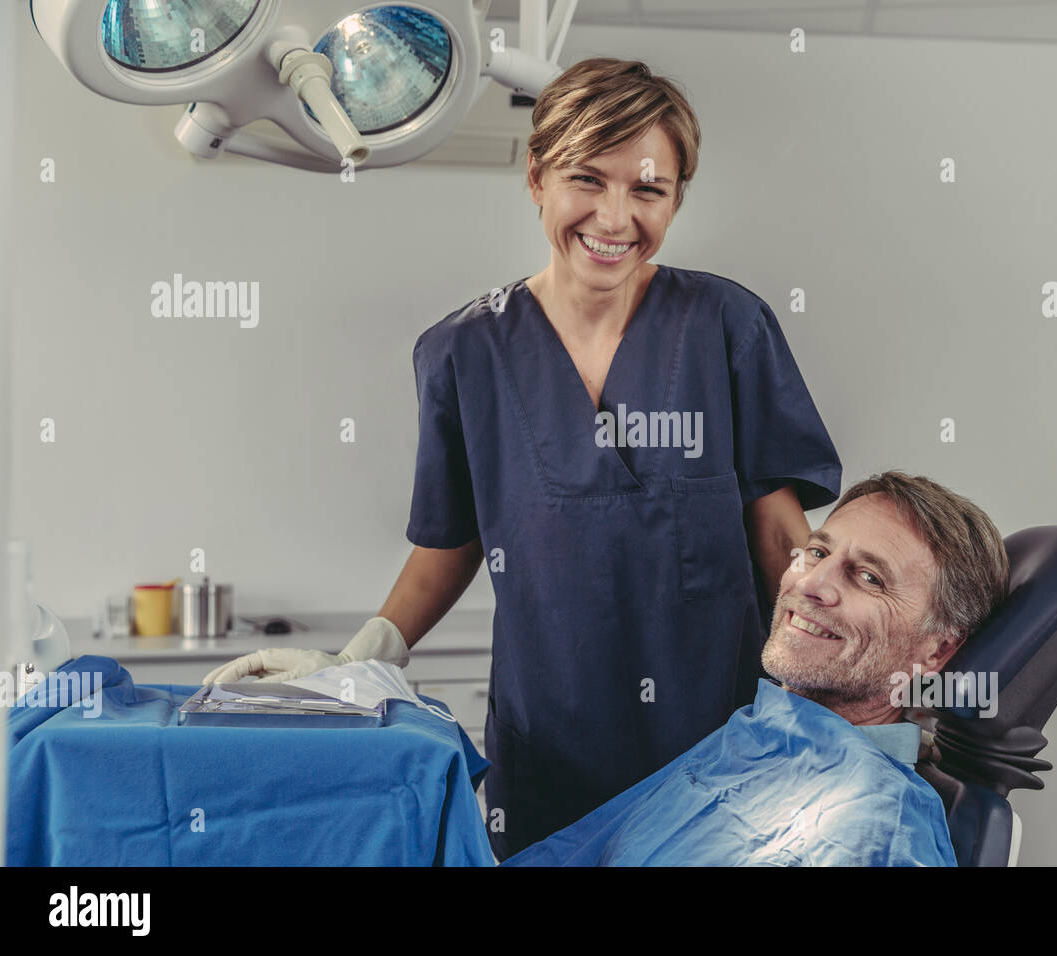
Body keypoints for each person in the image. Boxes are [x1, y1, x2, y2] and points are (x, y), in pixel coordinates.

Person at [202, 58, 841, 860]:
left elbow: (781, 538)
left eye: (648, 189)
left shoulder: (727, 325)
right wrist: (361, 659)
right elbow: (449, 542)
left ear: (677, 197)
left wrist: (849, 697)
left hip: (723, 748)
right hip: (549, 754)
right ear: (536, 176)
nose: (615, 217)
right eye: (587, 178)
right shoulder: (464, 352)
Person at [502, 472, 1011, 866]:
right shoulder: (758, 733)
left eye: (869, 577)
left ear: (937, 652)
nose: (811, 584)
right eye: (816, 552)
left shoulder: (876, 827)